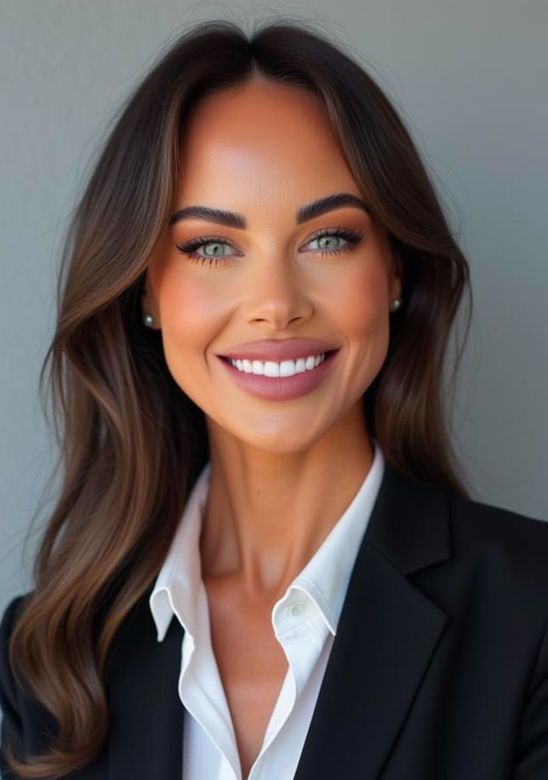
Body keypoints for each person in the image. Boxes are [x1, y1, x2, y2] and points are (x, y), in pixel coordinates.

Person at [1, 17, 547, 780]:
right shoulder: (49, 654)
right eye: (211, 246)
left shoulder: (532, 615)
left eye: (328, 238)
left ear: (393, 271)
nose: (276, 304)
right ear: (147, 291)